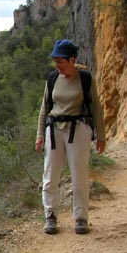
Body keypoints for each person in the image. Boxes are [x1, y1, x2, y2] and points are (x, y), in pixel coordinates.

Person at [35, 39, 106, 235]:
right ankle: (50, 216)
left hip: (78, 129)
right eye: (55, 62)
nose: (57, 66)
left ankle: (81, 218)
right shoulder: (52, 79)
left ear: (72, 60)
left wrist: (101, 136)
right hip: (54, 129)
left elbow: (96, 109)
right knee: (50, 175)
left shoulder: (85, 79)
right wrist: (40, 135)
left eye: (61, 62)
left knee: (79, 174)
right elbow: (44, 109)